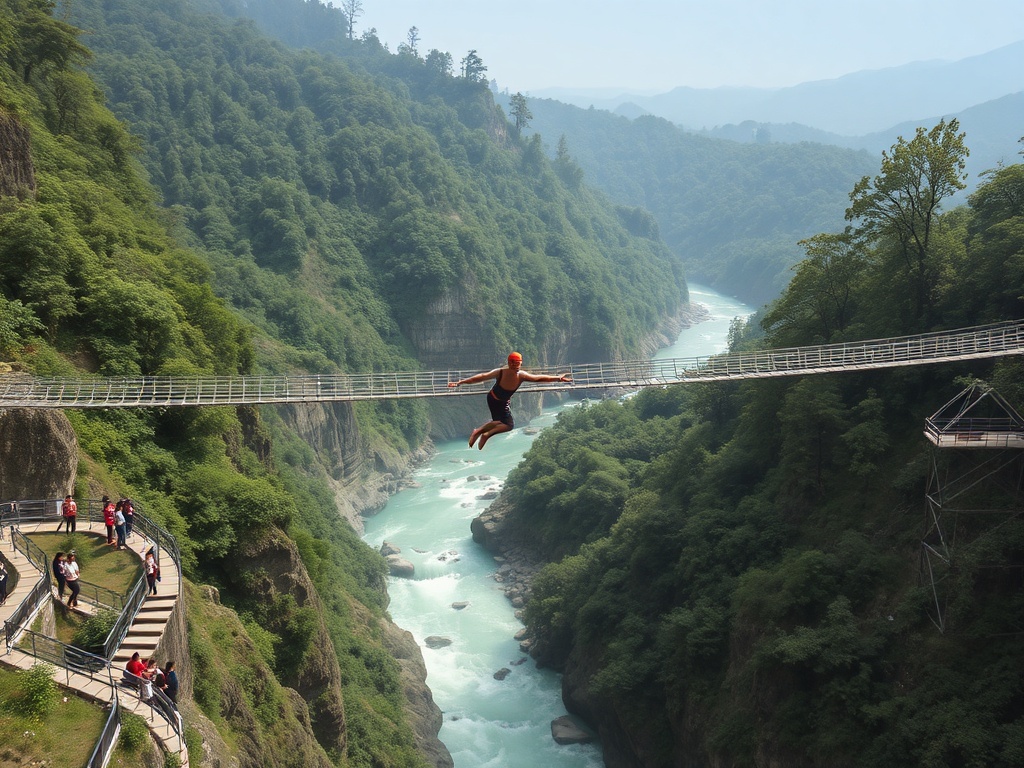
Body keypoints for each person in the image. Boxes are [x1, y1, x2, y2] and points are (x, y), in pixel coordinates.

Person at [448, 352, 573, 450]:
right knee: (509, 425)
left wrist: (558, 378)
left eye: (517, 363)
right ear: (508, 362)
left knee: (498, 422)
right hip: (494, 399)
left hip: (501, 401)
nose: (514, 365)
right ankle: (483, 434)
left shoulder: (522, 375)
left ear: (520, 363)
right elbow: (482, 377)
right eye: (512, 363)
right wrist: (460, 383)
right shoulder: (501, 372)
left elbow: (539, 378)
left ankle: (480, 432)